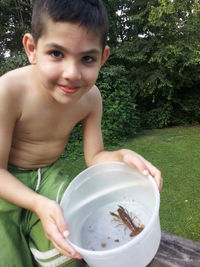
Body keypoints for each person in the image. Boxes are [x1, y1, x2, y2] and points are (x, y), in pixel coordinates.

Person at [0, 0, 162, 266]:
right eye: (56, 53)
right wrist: (38, 203)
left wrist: (122, 155)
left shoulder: (91, 99)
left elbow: (94, 156)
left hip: (48, 175)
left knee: (70, 247)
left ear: (103, 58)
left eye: (87, 58)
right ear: (32, 49)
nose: (71, 73)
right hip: (5, 182)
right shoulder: (8, 91)